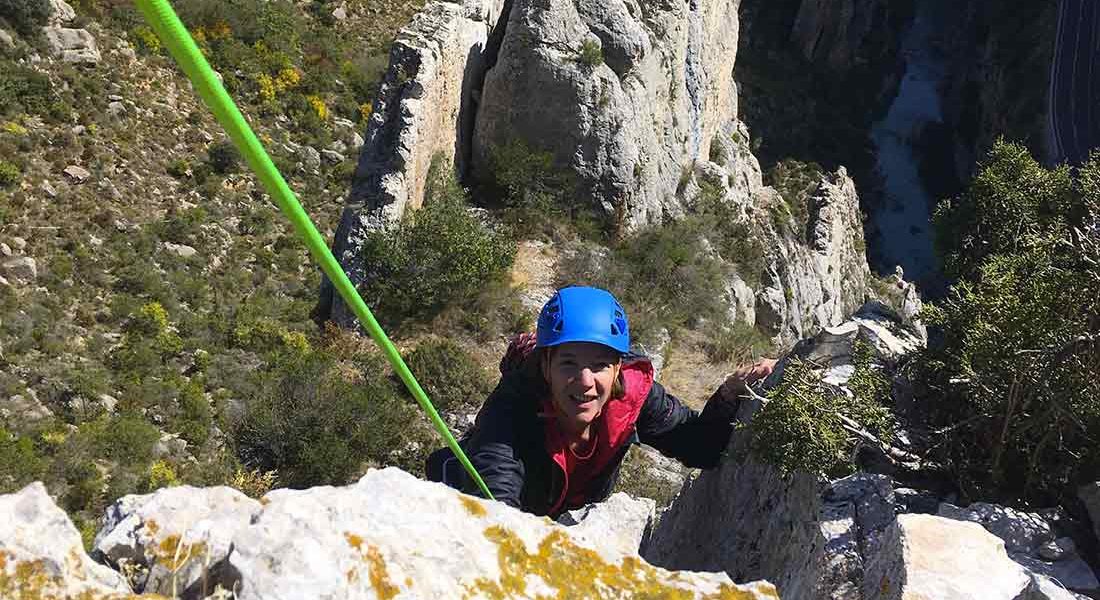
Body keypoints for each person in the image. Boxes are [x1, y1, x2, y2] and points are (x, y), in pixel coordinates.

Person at [426, 286, 776, 518]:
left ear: (618, 368)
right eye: (568, 364)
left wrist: (731, 393)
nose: (585, 381)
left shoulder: (636, 397)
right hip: (461, 507)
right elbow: (496, 496)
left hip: (559, 520)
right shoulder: (513, 406)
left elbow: (701, 447)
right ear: (545, 367)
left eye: (599, 365)